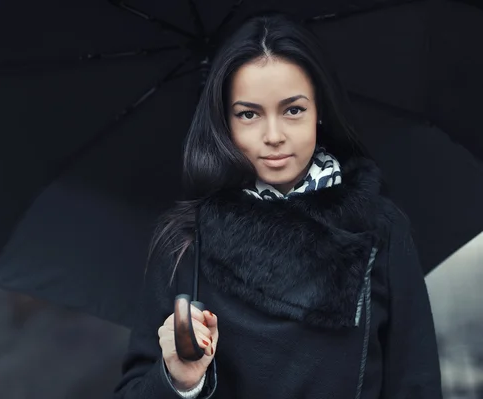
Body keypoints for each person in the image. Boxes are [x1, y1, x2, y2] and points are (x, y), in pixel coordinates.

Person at [113, 12, 442, 399]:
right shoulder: (185, 240)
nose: (273, 136)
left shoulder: (378, 228)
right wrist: (179, 379)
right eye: (248, 114)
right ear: (225, 122)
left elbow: (415, 384)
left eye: (293, 110)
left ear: (320, 112)